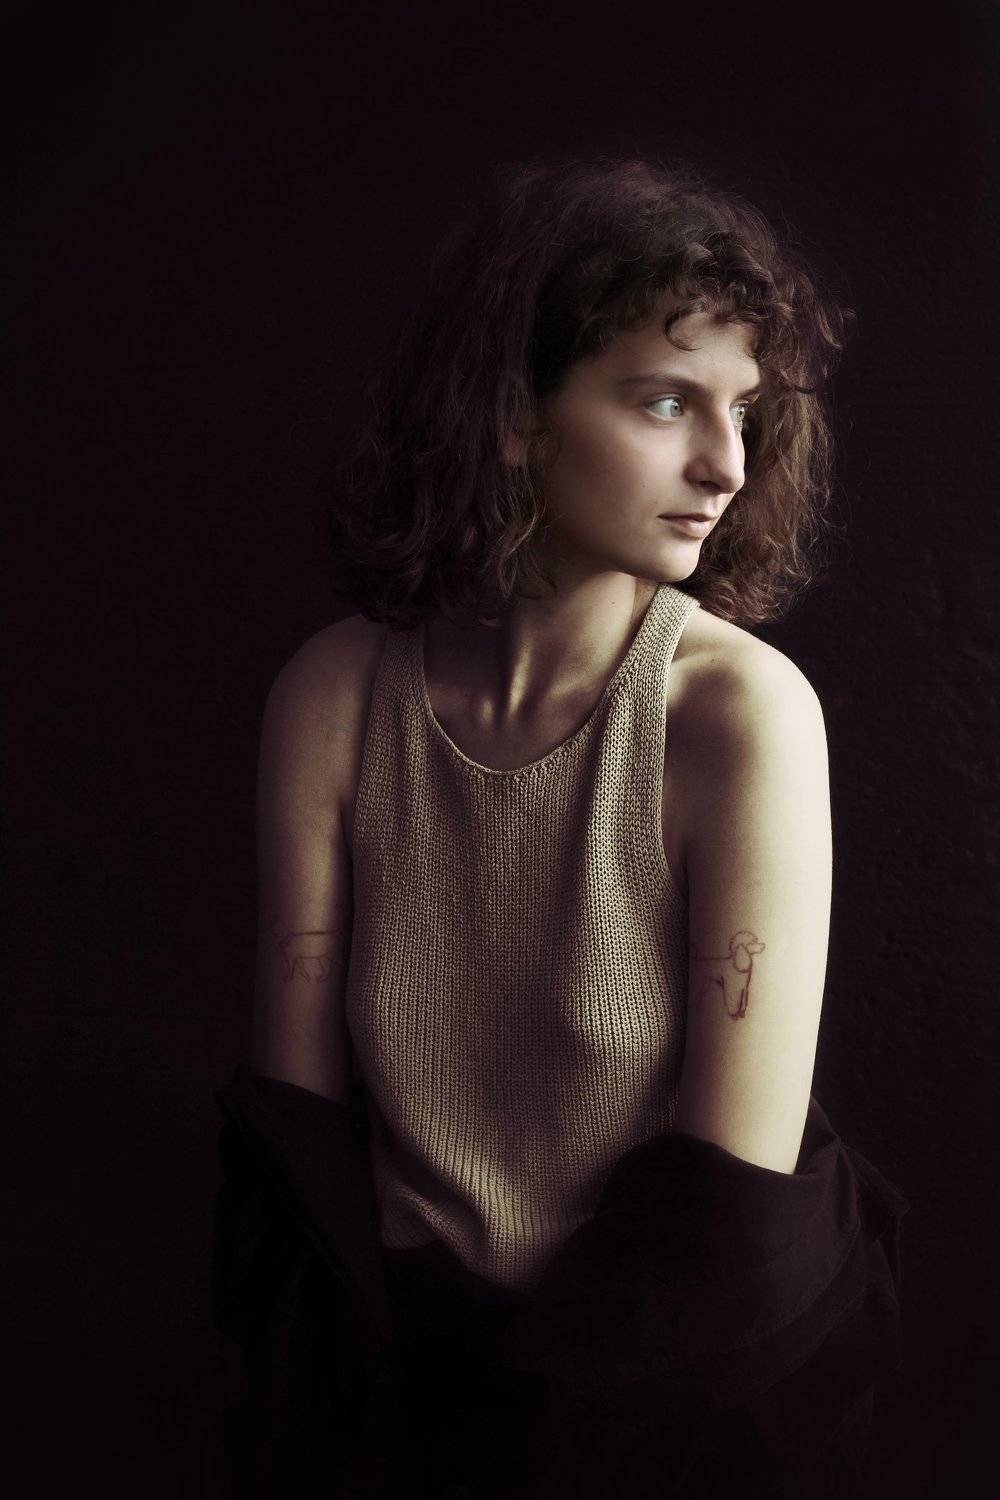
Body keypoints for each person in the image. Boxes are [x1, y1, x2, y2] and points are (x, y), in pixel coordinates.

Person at [214, 154, 907, 1498]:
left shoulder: (739, 713)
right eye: (666, 400)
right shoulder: (334, 696)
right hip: (409, 1372)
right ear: (515, 419)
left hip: (684, 1382)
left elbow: (732, 1211)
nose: (726, 464)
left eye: (745, 410)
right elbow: (294, 1155)